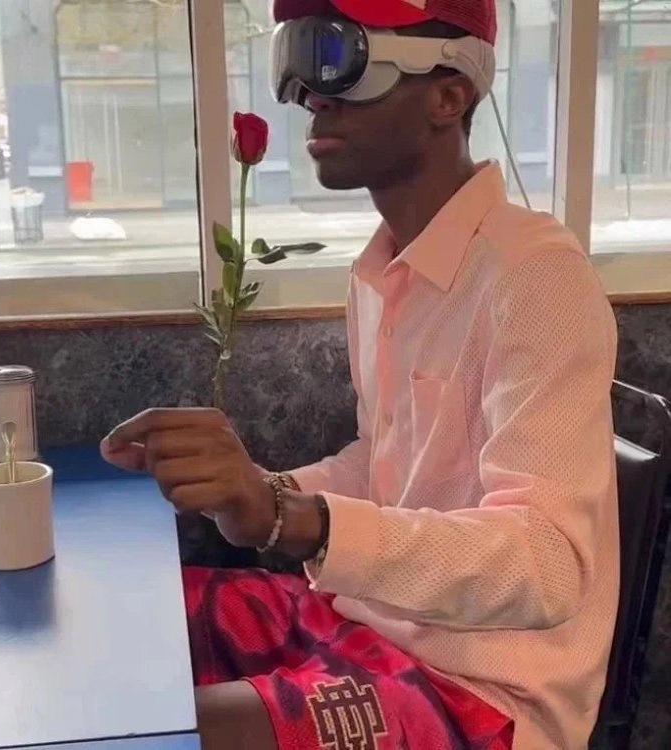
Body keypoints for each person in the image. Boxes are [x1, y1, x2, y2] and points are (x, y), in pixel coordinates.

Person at [102, 1, 619, 748]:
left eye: (340, 57)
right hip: (363, 621)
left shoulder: (534, 276)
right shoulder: (381, 271)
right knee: (122, 614)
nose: (310, 95)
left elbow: (547, 564)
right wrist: (255, 489)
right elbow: (381, 467)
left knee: (156, 735)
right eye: (294, 59)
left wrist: (294, 520)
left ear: (449, 94)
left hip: (482, 691)